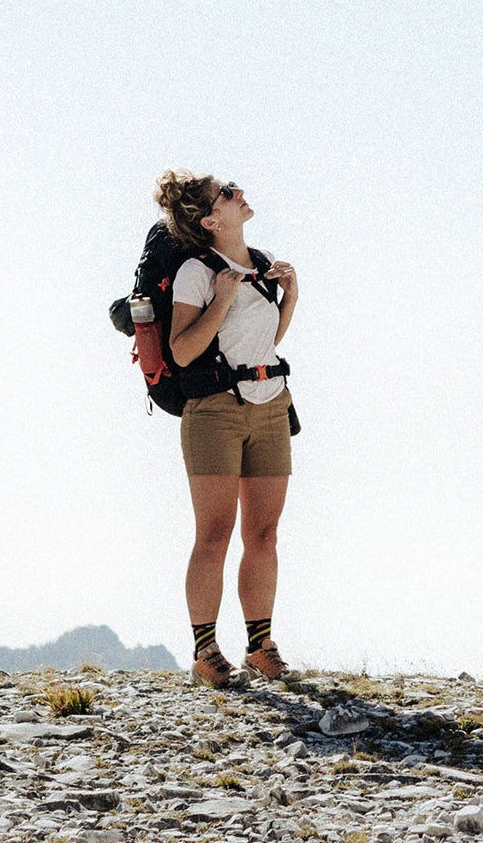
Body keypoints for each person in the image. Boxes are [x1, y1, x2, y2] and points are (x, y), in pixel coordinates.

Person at [152, 169, 298, 686]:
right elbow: (182, 350)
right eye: (227, 194)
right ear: (211, 221)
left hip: (271, 403)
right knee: (214, 535)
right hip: (214, 411)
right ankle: (206, 653)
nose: (240, 194)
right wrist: (221, 299)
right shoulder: (197, 272)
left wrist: (291, 297)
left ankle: (261, 647)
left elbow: (266, 342)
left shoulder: (262, 262)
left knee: (264, 534)